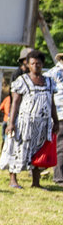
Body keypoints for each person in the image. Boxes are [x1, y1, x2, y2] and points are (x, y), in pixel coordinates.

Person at [6, 50, 58, 189]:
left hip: (43, 124)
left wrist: (56, 121)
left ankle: (36, 182)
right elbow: (15, 102)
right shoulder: (21, 81)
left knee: (38, 151)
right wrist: (11, 123)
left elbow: (52, 103)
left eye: (39, 63)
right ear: (28, 65)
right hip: (24, 123)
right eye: (33, 63)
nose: (36, 66)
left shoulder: (49, 81)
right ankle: (13, 179)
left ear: (43, 64)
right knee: (18, 149)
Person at [47, 52, 63, 185]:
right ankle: (59, 176)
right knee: (60, 146)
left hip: (57, 113)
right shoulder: (55, 73)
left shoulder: (50, 73)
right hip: (59, 114)